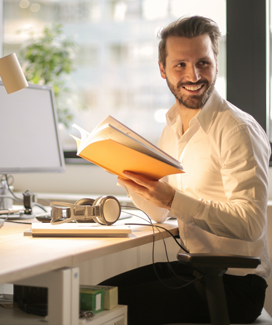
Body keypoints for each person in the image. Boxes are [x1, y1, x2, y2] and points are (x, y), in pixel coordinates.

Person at [100, 16, 271, 324]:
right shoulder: (172, 128)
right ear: (162, 69)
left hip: (235, 284)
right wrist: (132, 181)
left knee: (103, 310)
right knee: (97, 294)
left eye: (203, 63)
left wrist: (172, 199)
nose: (193, 75)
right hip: (195, 269)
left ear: (216, 63)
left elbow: (251, 224)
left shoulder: (237, 129)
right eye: (180, 65)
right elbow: (158, 214)